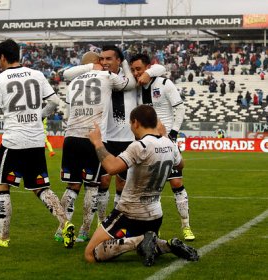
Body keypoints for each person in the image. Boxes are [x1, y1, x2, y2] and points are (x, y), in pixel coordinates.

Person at [62, 46, 166, 242]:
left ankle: (122, 224)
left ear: (119, 60)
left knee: (124, 185)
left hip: (128, 139)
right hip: (106, 138)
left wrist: (147, 73)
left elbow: (161, 69)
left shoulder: (131, 78)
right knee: (102, 182)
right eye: (102, 59)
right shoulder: (103, 78)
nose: (105, 61)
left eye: (109, 58)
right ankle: (95, 226)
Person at [0, 39, 75, 249]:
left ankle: (3, 238)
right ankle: (65, 223)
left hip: (13, 141)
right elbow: (53, 102)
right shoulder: (37, 75)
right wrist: (38, 116)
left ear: (2, 57)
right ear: (19, 55)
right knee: (41, 188)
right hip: (35, 140)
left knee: (0, 185)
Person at [85, 105, 199, 265]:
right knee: (143, 250)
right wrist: (166, 136)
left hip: (129, 213)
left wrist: (97, 142)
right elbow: (180, 165)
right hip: (154, 216)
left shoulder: (140, 146)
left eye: (131, 123)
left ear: (136, 123)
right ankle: (166, 245)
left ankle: (138, 240)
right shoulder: (169, 144)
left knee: (90, 254)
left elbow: (111, 167)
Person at [55, 50, 137, 242]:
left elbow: (67, 111)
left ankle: (62, 227)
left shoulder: (73, 82)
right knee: (92, 186)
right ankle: (85, 230)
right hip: (93, 137)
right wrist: (123, 63)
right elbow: (130, 83)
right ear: (97, 62)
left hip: (71, 137)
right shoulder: (107, 76)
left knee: (72, 186)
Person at [129, 53, 196, 241]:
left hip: (166, 140)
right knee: (147, 187)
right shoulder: (133, 89)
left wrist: (173, 133)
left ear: (148, 68)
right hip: (144, 144)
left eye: (139, 69)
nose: (136, 73)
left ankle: (186, 225)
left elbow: (180, 107)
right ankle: (150, 230)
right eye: (133, 70)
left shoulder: (165, 84)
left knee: (176, 183)